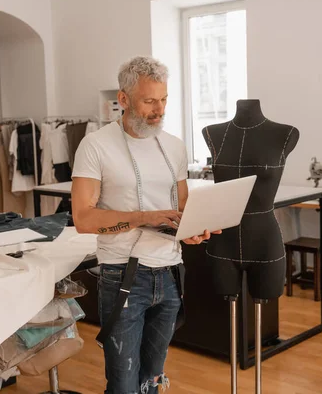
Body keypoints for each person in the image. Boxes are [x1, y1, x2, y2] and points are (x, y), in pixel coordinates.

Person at [71, 56, 221, 394]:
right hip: (123, 274)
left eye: (164, 99)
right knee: (124, 384)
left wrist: (195, 228)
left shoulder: (174, 146)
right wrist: (144, 217)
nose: (159, 109)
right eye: (149, 100)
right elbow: (83, 219)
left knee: (152, 378)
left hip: (170, 272)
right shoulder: (95, 146)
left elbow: (181, 209)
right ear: (123, 99)